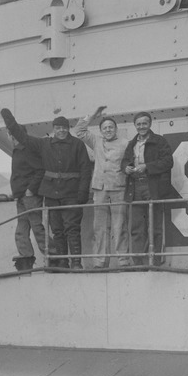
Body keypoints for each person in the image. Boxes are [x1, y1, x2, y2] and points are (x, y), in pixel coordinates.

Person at [1, 110, 92, 269]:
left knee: (72, 228)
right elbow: (22, 137)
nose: (61, 131)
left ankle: (76, 263)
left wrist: (82, 193)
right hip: (51, 193)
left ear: (68, 128)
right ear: (54, 129)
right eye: (58, 128)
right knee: (57, 230)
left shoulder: (77, 145)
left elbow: (85, 170)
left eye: (64, 128)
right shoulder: (45, 144)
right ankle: (63, 263)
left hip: (71, 192)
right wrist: (8, 118)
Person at [74, 107, 130, 268]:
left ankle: (123, 260)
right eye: (104, 128)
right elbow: (79, 130)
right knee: (99, 227)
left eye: (110, 127)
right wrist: (91, 115)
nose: (108, 130)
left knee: (120, 226)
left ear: (116, 129)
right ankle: (100, 261)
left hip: (119, 187)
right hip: (100, 189)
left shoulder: (125, 143)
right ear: (100, 130)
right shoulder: (96, 141)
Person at [122, 112, 178, 266]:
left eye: (144, 123)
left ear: (150, 124)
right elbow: (125, 161)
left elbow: (168, 162)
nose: (141, 127)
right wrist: (125, 168)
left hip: (153, 187)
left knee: (155, 226)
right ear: (135, 126)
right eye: (138, 124)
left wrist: (147, 167)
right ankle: (139, 262)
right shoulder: (132, 144)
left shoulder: (159, 141)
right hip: (135, 187)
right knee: (136, 227)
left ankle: (156, 260)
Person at [7, 123, 46, 271]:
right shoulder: (17, 151)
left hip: (29, 196)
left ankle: (52, 255)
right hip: (21, 196)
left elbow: (40, 170)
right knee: (21, 228)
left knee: (37, 227)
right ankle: (26, 256)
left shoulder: (27, 151)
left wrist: (31, 190)